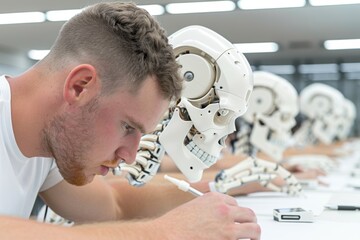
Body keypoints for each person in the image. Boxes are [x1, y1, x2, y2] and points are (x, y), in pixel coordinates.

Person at [0, 2, 260, 239]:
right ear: (80, 87)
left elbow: (114, 203)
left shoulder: (50, 144)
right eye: (127, 127)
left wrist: (221, 190)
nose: (130, 156)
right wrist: (163, 232)